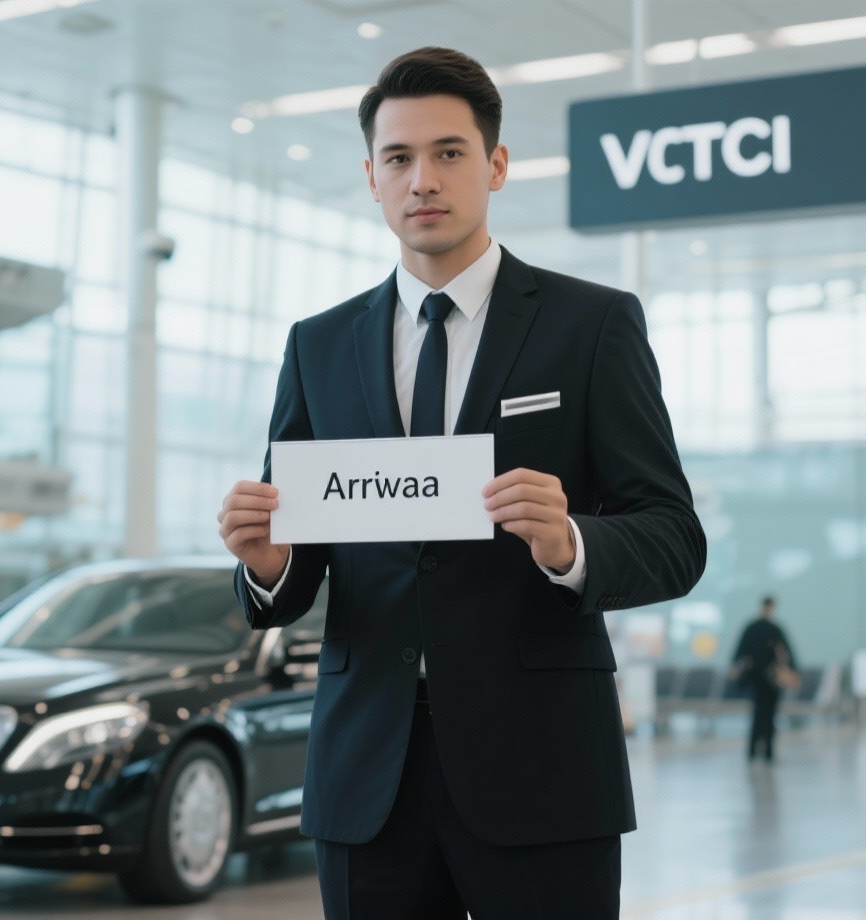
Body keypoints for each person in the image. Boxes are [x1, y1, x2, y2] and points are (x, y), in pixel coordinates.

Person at [216, 47, 706, 920]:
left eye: (449, 153)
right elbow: (297, 575)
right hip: (368, 779)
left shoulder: (590, 325)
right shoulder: (318, 346)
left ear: (497, 165)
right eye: (399, 159)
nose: (423, 180)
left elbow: (674, 536)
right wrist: (267, 563)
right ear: (371, 177)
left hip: (544, 771)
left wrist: (572, 543)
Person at [730, 596, 796, 763]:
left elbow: (740, 652)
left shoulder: (755, 628)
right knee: (765, 714)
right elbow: (787, 652)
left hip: (762, 678)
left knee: (763, 714)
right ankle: (764, 752)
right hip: (767, 678)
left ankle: (758, 751)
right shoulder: (771, 629)